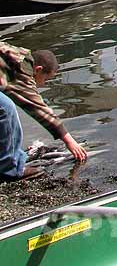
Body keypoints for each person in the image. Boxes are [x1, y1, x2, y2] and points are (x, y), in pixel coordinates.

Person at [1, 42, 88, 181]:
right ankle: (9, 171)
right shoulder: (22, 71)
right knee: (6, 109)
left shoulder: (15, 54)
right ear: (38, 69)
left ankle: (12, 159)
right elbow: (39, 108)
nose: (43, 84)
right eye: (45, 79)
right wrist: (69, 141)